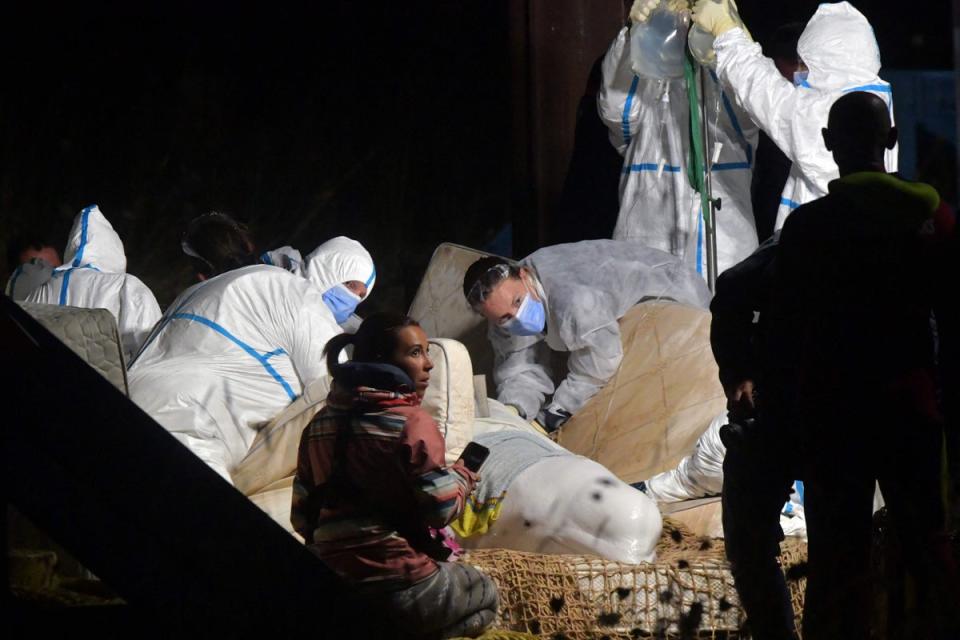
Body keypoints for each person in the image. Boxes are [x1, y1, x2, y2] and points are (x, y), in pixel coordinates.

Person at [765, 91, 958, 638]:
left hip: (832, 418)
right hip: (912, 412)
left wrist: (782, 426)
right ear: (892, 140)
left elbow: (782, 338)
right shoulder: (934, 219)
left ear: (828, 144)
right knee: (930, 548)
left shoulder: (808, 229)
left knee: (837, 562)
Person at [291, 313, 497, 639]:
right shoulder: (412, 422)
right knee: (485, 592)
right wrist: (464, 474)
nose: (428, 364)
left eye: (428, 352)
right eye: (415, 353)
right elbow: (441, 511)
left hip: (334, 584)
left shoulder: (317, 425)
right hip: (401, 584)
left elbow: (301, 519)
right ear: (381, 360)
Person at [128, 219, 375, 485]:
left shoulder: (203, 289)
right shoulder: (299, 298)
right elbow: (336, 383)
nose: (351, 302)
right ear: (328, 267)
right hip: (190, 426)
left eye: (360, 297)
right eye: (350, 287)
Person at [463, 239, 711, 431]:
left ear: (525, 275)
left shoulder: (573, 298)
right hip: (602, 308)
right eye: (504, 317)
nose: (515, 316)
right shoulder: (500, 311)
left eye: (518, 301)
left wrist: (558, 409)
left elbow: (601, 361)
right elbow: (519, 368)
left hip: (671, 292)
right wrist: (513, 411)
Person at [692, 1, 897, 230]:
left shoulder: (832, 113)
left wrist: (727, 34)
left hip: (821, 243)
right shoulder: (870, 95)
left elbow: (768, 97)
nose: (801, 72)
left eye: (807, 64)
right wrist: (738, 37)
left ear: (829, 63)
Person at [598, 0, 760, 276]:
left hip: (724, 247)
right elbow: (616, 113)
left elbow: (752, 111)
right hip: (649, 238)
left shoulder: (728, 73)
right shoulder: (649, 82)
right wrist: (634, 35)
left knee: (721, 313)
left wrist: (729, 38)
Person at [5, 205, 162, 361]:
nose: (45, 270)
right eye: (36, 265)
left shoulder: (41, 293)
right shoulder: (128, 288)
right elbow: (153, 358)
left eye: (53, 266)